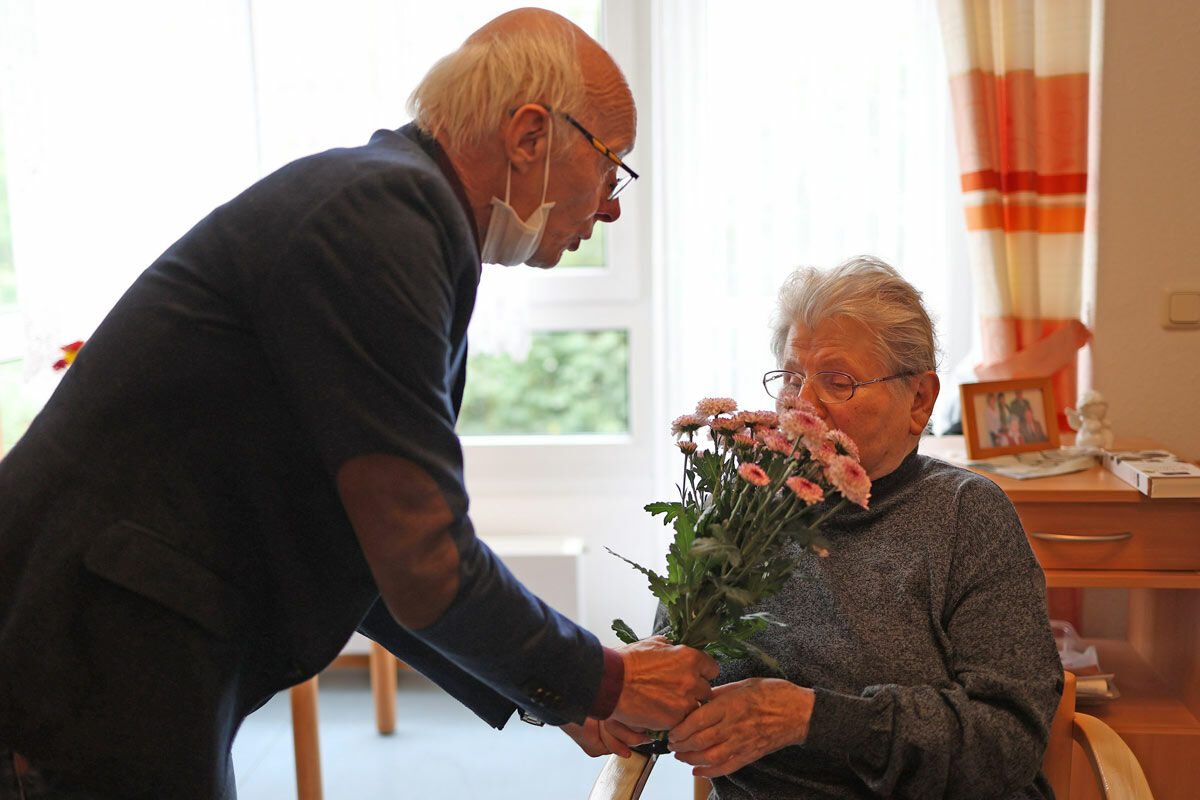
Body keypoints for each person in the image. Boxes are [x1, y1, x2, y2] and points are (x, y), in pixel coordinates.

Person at [0, 9, 717, 799]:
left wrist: (559, 695)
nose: (612, 205)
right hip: (85, 645)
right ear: (528, 135)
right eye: (612, 165)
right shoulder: (382, 222)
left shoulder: (394, 210)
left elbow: (369, 547)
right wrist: (604, 681)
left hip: (126, 639)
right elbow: (422, 562)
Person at [642, 256, 1063, 798]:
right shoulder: (738, 508)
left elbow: (1008, 742)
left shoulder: (967, 514)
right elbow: (667, 682)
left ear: (919, 400)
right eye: (791, 378)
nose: (802, 405)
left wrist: (813, 718)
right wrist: (600, 699)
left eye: (837, 382)